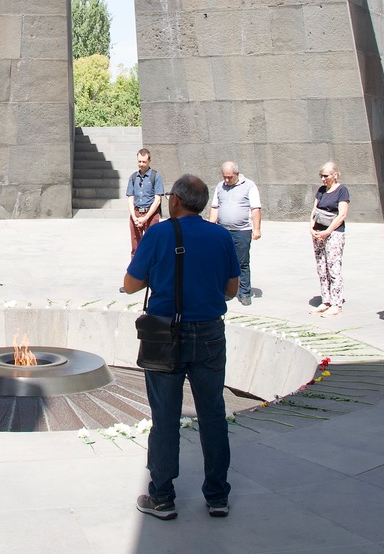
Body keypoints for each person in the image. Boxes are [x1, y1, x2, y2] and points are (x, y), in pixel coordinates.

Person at [123, 174, 239, 520]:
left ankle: (161, 497)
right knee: (213, 415)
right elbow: (232, 290)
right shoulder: (220, 236)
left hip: (165, 337)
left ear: (175, 201)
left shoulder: (159, 234)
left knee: (165, 417)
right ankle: (217, 496)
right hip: (209, 335)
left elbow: (131, 285)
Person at [209, 161, 261, 305]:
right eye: (224, 176)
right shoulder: (220, 187)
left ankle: (244, 292)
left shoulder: (249, 186)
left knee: (242, 262)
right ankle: (225, 290)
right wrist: (210, 226)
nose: (227, 180)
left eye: (230, 177)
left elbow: (255, 208)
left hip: (242, 231)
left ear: (237, 174)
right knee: (222, 261)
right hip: (222, 231)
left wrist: (256, 229)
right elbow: (215, 206)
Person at [309, 161, 349, 317]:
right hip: (318, 233)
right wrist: (311, 227)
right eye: (321, 176)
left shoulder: (342, 191)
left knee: (333, 267)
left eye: (326, 176)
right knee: (321, 267)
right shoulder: (321, 190)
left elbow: (342, 215)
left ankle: (336, 303)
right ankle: (326, 299)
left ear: (335, 175)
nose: (323, 179)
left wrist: (327, 231)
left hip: (334, 233)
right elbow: (315, 210)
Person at [125, 148, 164, 257]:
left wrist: (145, 218)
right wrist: (134, 217)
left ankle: (152, 272)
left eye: (144, 162)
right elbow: (130, 198)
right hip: (136, 214)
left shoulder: (156, 176)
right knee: (135, 248)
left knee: (152, 246)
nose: (141, 164)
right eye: (139, 161)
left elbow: (157, 200)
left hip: (151, 215)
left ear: (149, 161)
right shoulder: (133, 177)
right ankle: (135, 272)